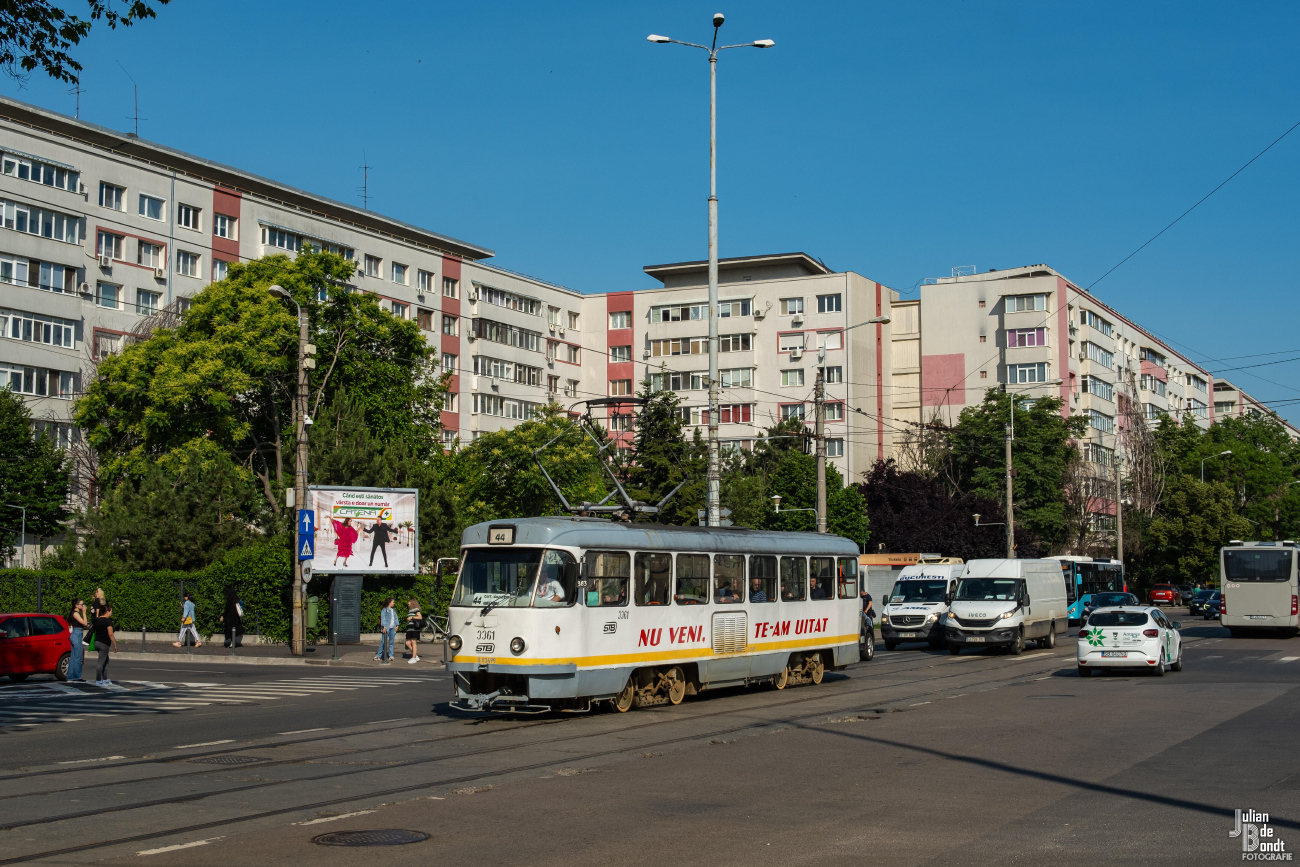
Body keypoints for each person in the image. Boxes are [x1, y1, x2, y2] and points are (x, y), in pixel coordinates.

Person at [91, 605, 118, 685]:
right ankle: (99, 680)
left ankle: (105, 679)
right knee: (101, 662)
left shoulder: (97, 620)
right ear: (107, 611)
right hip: (104, 643)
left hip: (97, 642)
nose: (111, 613)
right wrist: (115, 644)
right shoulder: (108, 621)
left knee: (106, 660)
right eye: (111, 611)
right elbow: (110, 634)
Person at [66, 598, 88, 681]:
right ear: (76, 605)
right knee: (78, 657)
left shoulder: (74, 613)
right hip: (77, 634)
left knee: (74, 657)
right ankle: (77, 676)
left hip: (75, 633)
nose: (83, 606)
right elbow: (84, 623)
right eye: (81, 605)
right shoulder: (76, 613)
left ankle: (71, 676)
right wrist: (84, 612)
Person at [377, 598, 397, 663]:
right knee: (383, 642)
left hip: (392, 628)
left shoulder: (393, 610)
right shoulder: (384, 610)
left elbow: (395, 617)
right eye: (393, 602)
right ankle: (378, 655)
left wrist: (397, 625)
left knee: (391, 642)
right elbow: (383, 619)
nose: (394, 603)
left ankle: (391, 655)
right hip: (387, 628)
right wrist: (384, 627)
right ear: (389, 603)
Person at [404, 599, 422, 664]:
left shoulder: (416, 610)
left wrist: (412, 617)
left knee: (413, 642)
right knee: (407, 643)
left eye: (409, 602)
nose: (407, 603)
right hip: (409, 628)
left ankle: (414, 657)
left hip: (414, 628)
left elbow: (420, 617)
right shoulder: (410, 611)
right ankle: (415, 655)